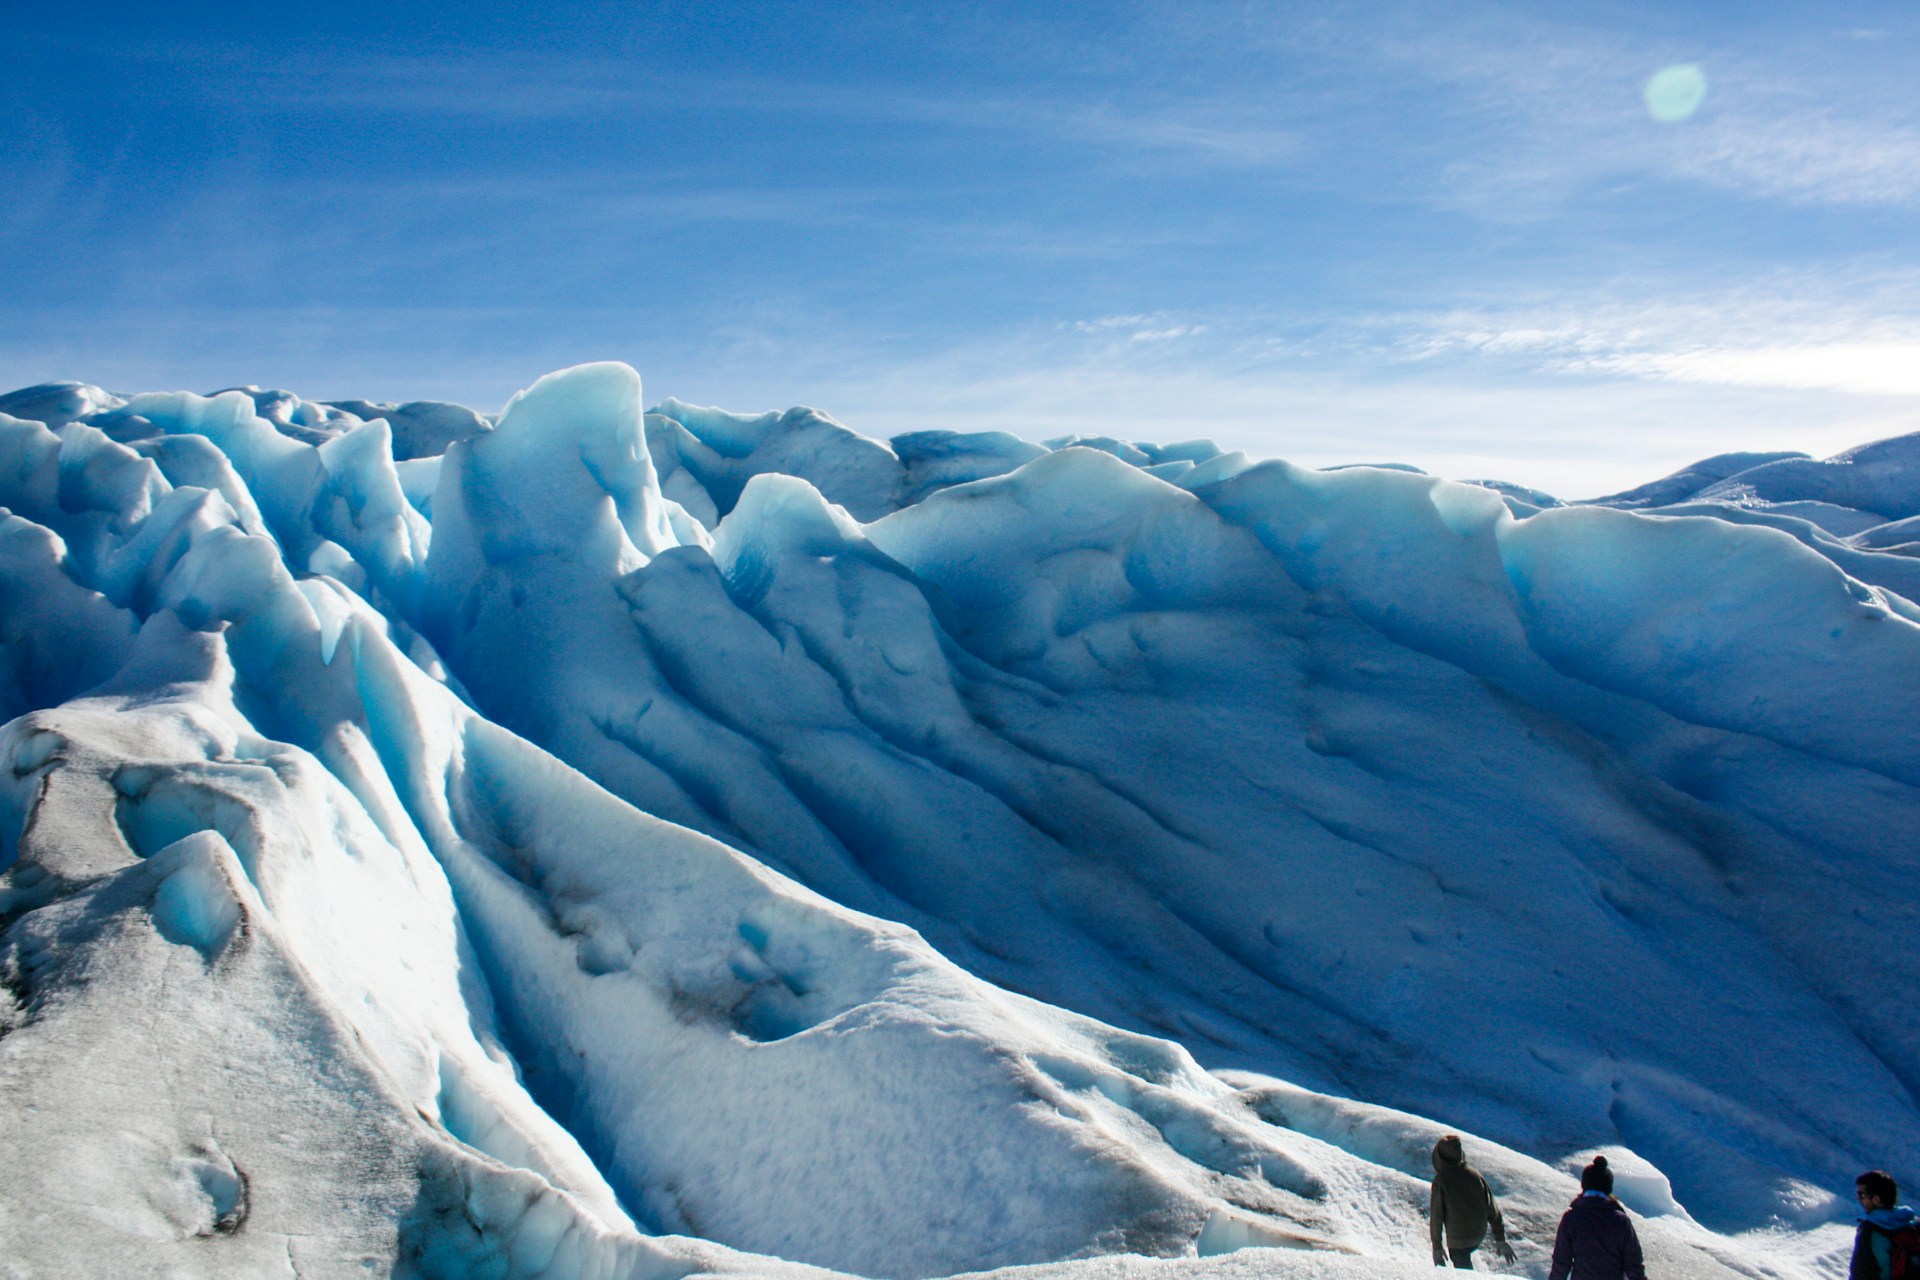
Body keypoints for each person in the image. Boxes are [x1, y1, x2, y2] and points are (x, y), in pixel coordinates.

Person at [1548, 1156, 1646, 1280]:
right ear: (1608, 1187)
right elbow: (1633, 1265)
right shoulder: (1621, 1221)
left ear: (1585, 1185)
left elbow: (1561, 1263)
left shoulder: (1571, 1218)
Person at [1430, 1134, 1517, 1269]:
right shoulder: (1474, 1175)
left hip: (1458, 1240)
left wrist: (1437, 1246)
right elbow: (1492, 1207)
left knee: (1462, 1265)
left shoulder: (1441, 1180)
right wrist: (1500, 1238)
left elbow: (1437, 1216)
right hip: (1478, 1235)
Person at [1852, 1169, 1918, 1280]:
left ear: (1877, 1200)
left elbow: (1861, 1273)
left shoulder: (1869, 1231)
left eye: (1862, 1195)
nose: (1858, 1198)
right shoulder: (1913, 1223)